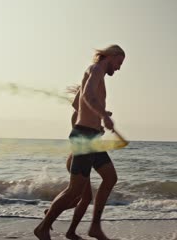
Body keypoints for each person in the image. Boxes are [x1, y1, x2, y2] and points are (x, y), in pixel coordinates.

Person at [34, 45, 125, 240]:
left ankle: (95, 227)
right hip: (84, 136)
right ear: (112, 56)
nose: (118, 68)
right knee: (75, 191)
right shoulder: (96, 69)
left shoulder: (94, 72)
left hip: (91, 136)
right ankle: (43, 227)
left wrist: (98, 116)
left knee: (110, 178)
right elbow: (87, 96)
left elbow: (77, 103)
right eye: (119, 63)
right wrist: (102, 115)